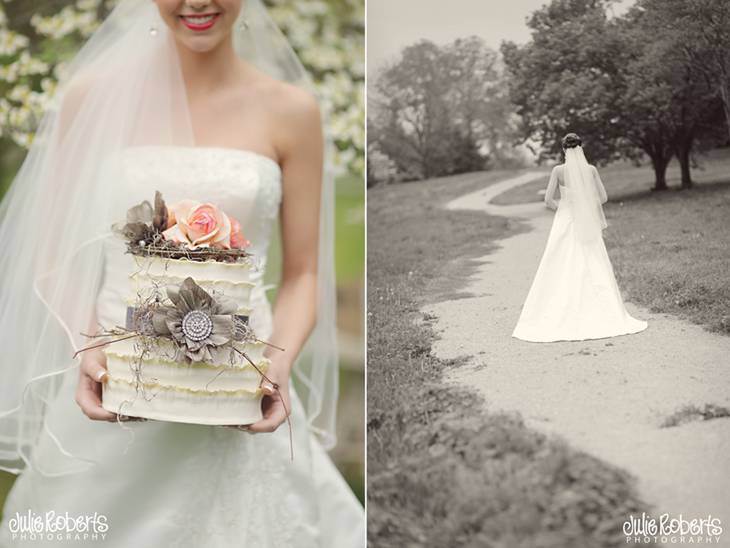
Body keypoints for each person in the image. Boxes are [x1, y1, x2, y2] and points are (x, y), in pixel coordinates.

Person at [0, 1, 364, 545]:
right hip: (118, 379)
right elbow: (53, 260)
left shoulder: (292, 110)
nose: (197, 2)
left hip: (238, 386)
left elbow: (303, 274)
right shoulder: (90, 98)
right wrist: (87, 348)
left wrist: (278, 367)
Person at [512, 132, 648, 342]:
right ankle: (602, 309)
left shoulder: (558, 170)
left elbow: (548, 201)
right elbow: (603, 197)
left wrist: (564, 209)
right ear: (581, 149)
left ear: (564, 150)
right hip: (587, 223)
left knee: (559, 261)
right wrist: (585, 207)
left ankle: (556, 308)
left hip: (565, 221)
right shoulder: (591, 170)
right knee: (593, 260)